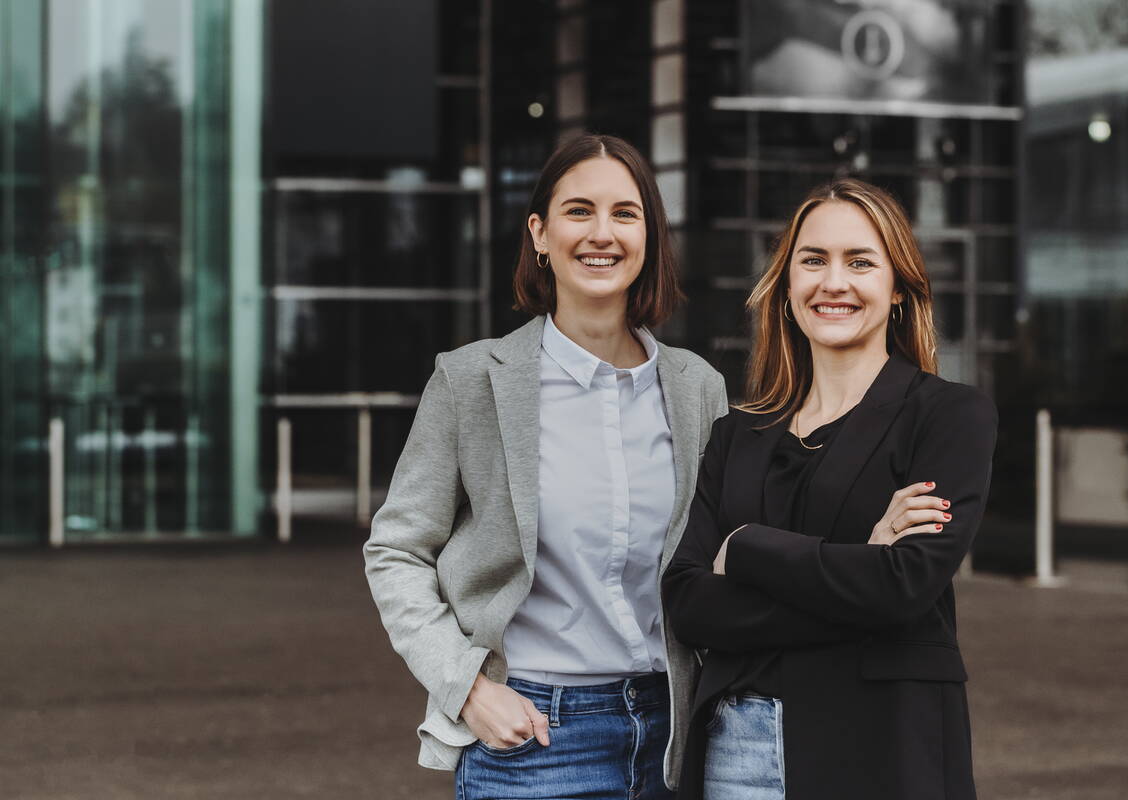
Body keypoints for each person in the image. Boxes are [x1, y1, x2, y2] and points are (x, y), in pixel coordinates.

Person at [364, 134, 727, 800]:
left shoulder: (698, 388)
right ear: (539, 232)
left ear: (649, 235)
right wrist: (467, 687)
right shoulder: (471, 381)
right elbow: (396, 551)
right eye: (579, 210)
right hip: (534, 739)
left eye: (625, 213)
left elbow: (727, 550)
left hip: (674, 739)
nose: (602, 233)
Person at [662, 178, 997, 800]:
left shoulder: (949, 416)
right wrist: (859, 567)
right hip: (735, 753)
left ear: (898, 288)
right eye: (812, 260)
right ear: (786, 286)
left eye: (860, 262)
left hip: (881, 750)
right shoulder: (737, 434)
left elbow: (903, 588)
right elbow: (687, 602)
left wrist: (747, 549)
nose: (833, 282)